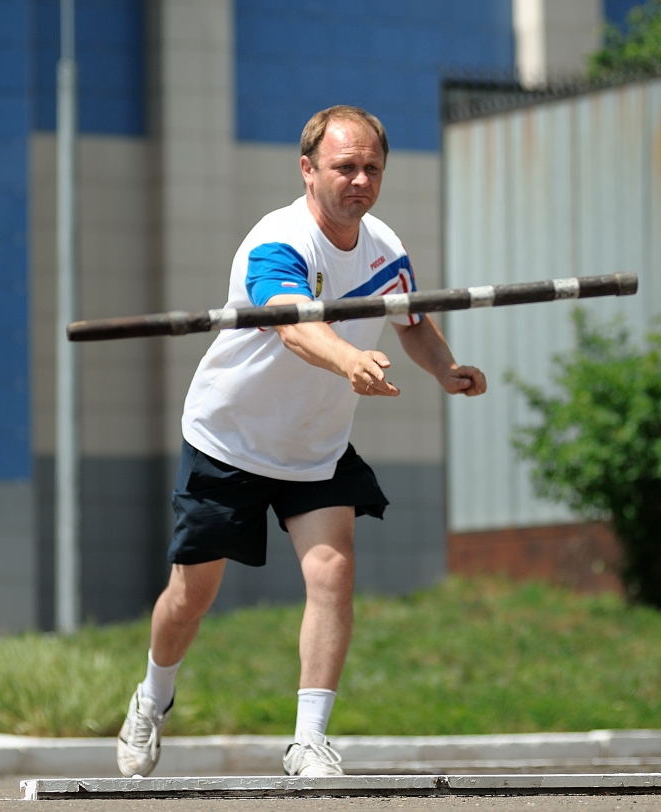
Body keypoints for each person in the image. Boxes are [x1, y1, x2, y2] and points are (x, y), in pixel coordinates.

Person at [116, 105, 487, 778]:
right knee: (190, 598)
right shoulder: (277, 243)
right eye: (345, 167)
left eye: (372, 168)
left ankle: (308, 740)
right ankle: (153, 697)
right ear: (308, 169)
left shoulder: (384, 248)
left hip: (315, 450)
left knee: (333, 571)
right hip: (229, 441)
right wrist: (347, 360)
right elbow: (292, 325)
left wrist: (445, 369)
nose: (361, 181)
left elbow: (410, 320)